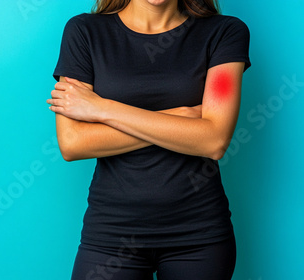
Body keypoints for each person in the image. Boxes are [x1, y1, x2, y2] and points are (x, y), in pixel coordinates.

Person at [47, 0, 251, 279]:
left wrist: (102, 109)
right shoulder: (84, 31)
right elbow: (73, 143)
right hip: (111, 234)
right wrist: (180, 117)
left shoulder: (224, 32)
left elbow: (214, 141)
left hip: (199, 236)